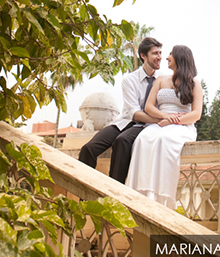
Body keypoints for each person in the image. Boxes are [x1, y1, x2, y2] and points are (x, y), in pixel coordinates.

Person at [125, 44, 203, 209]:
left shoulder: (194, 83)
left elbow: (196, 114)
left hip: (182, 125)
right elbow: (149, 107)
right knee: (143, 139)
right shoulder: (161, 80)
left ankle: (160, 195)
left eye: (170, 54)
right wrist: (165, 117)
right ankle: (140, 192)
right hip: (161, 121)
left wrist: (173, 121)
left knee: (164, 139)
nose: (166, 57)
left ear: (180, 58)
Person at [78, 37, 164, 183]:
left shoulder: (164, 80)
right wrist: (158, 119)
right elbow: (135, 113)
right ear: (143, 56)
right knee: (88, 149)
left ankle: (113, 195)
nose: (159, 57)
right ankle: (83, 197)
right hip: (125, 122)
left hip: (146, 126)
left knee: (121, 143)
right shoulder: (130, 80)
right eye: (155, 53)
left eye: (160, 53)